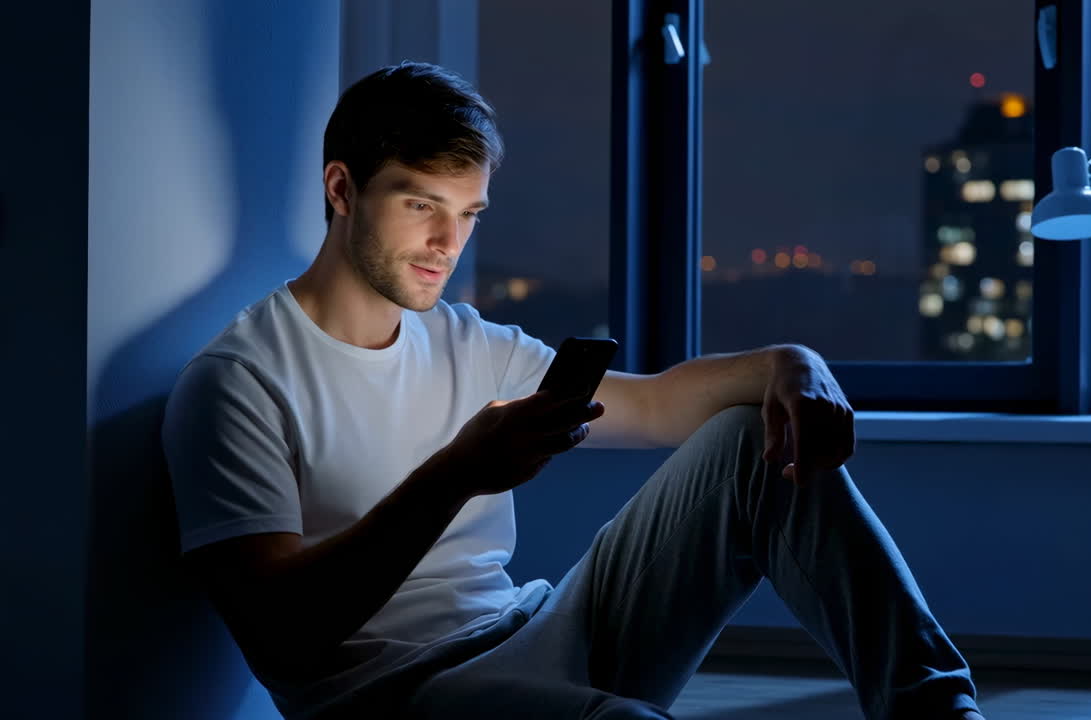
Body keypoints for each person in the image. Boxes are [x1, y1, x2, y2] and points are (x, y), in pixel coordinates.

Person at [162, 61, 984, 720]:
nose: (448, 243)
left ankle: (940, 714)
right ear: (342, 190)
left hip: (537, 625)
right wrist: (457, 471)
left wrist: (791, 362)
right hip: (400, 693)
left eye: (470, 214)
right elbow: (284, 643)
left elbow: (661, 404)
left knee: (742, 441)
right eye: (421, 205)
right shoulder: (238, 384)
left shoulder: (465, 340)